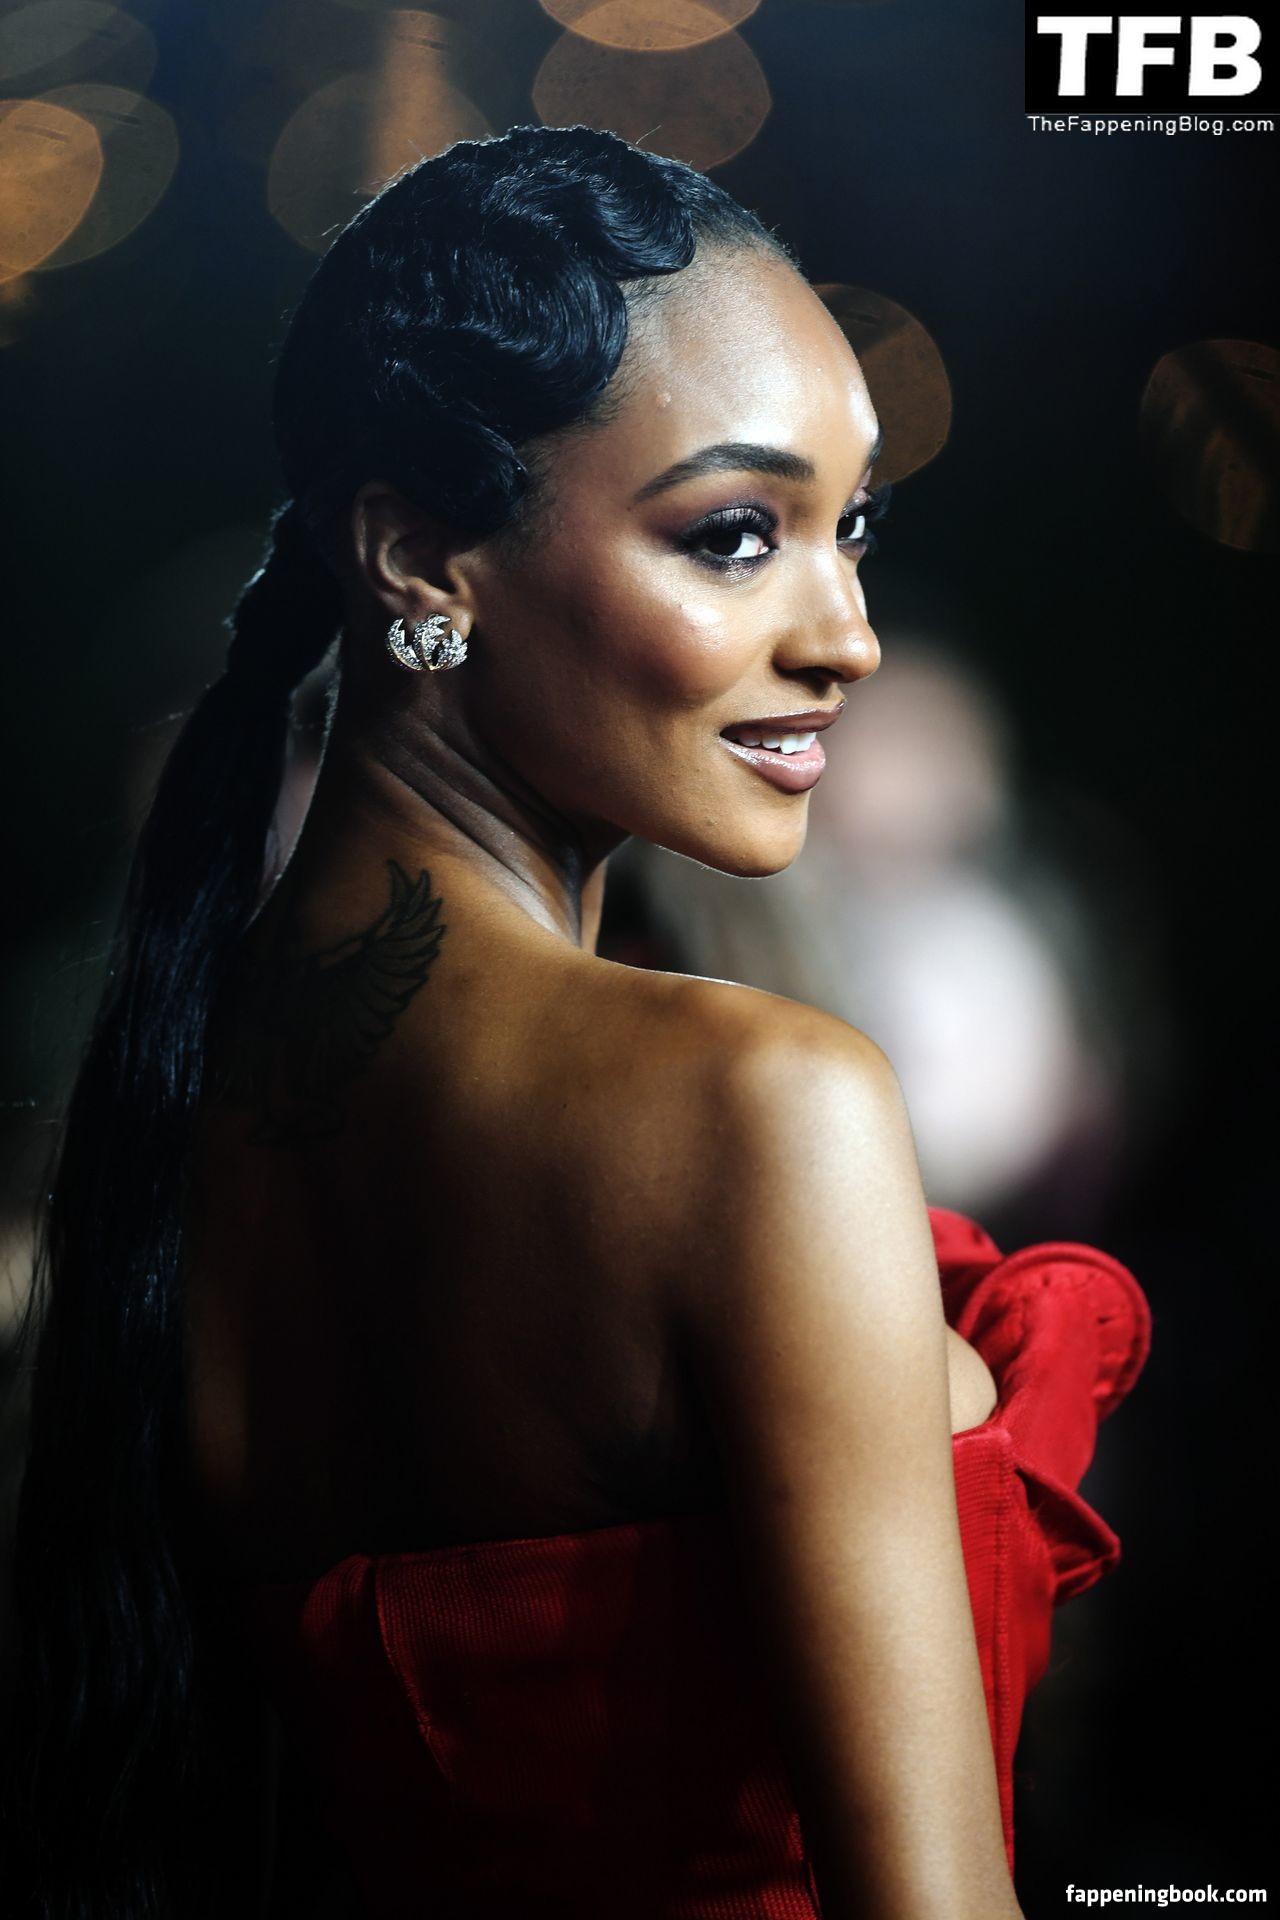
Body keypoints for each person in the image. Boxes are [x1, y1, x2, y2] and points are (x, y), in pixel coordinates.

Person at [1, 125, 1149, 1919]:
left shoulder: (176, 1102)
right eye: (735, 535)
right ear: (420, 561)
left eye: (852, 528)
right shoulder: (754, 1105)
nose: (845, 635)